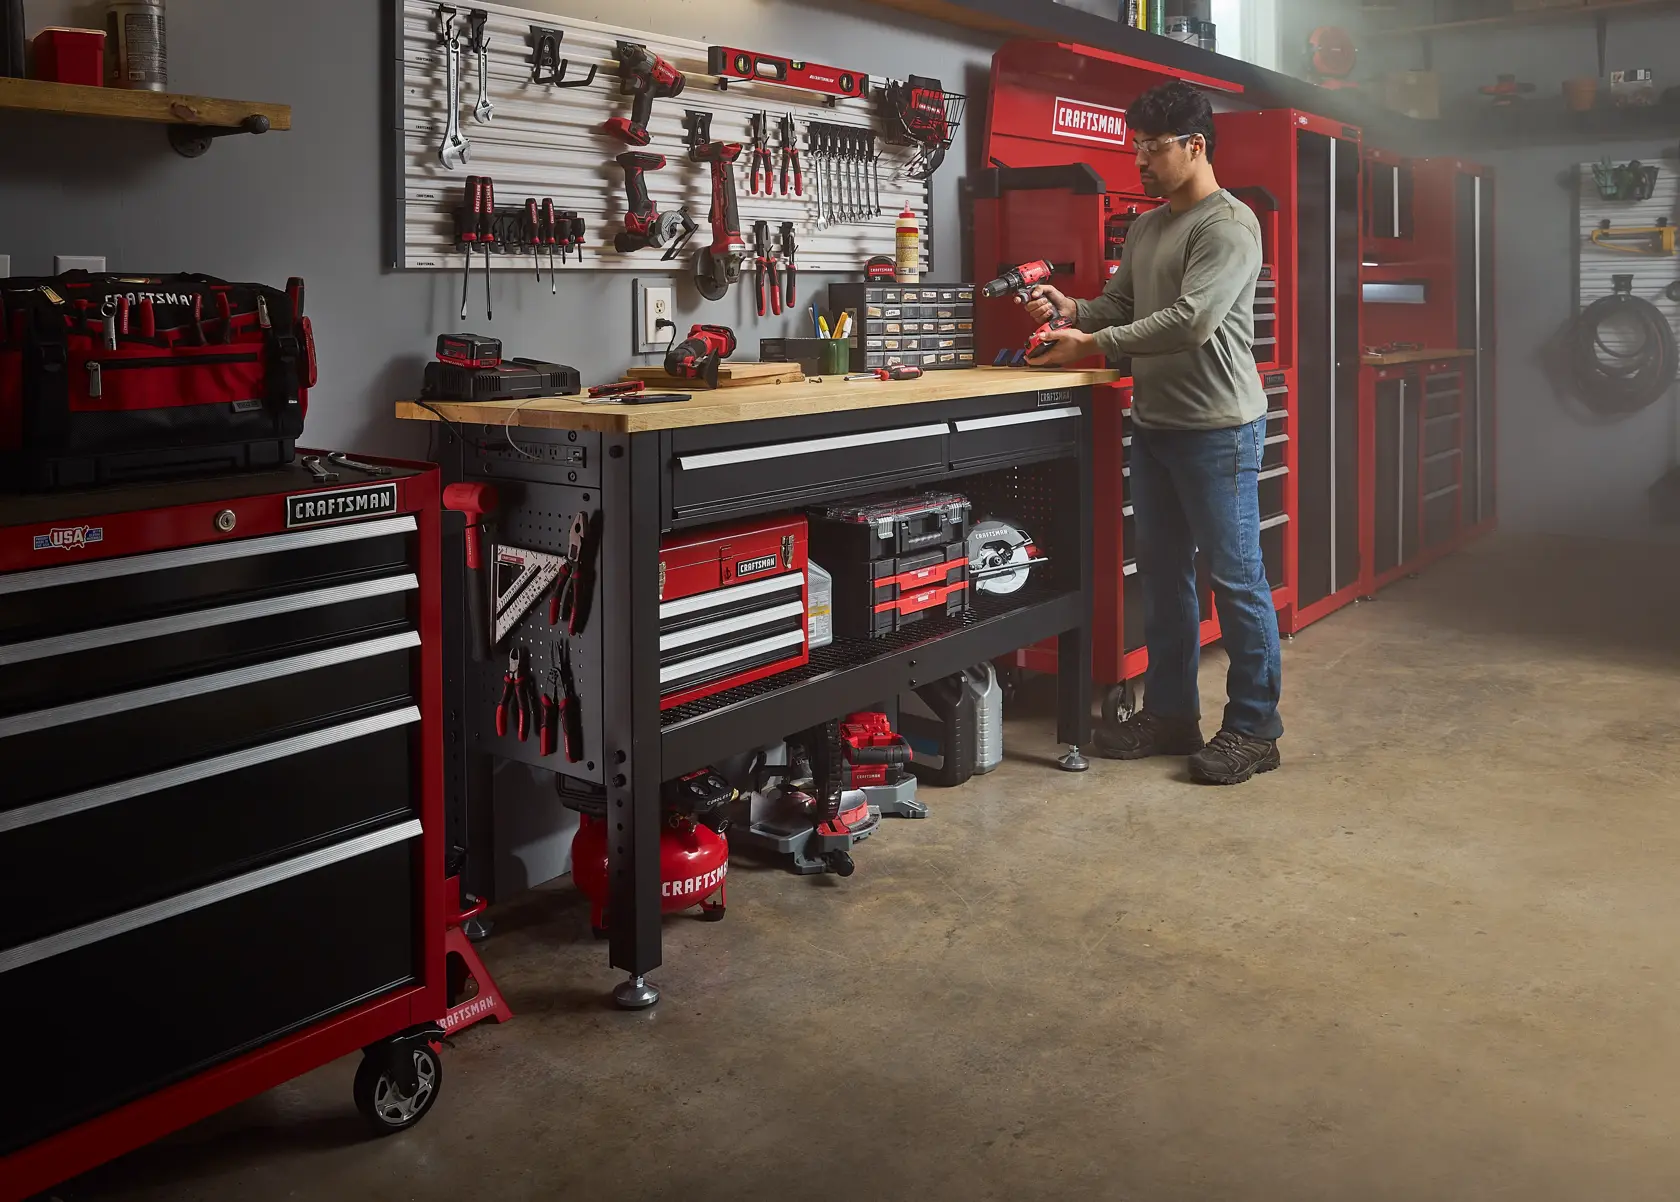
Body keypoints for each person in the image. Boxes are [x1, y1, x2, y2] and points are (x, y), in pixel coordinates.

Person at [1023, 79, 1282, 785]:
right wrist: (1071, 307)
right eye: (1135, 147)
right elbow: (1118, 303)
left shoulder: (1227, 226)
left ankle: (1256, 729)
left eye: (1154, 148)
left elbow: (1192, 321)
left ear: (1195, 146)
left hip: (1220, 429)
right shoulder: (1148, 225)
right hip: (1159, 425)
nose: (1139, 161)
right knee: (1166, 581)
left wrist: (1092, 345)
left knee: (1236, 580)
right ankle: (1172, 715)